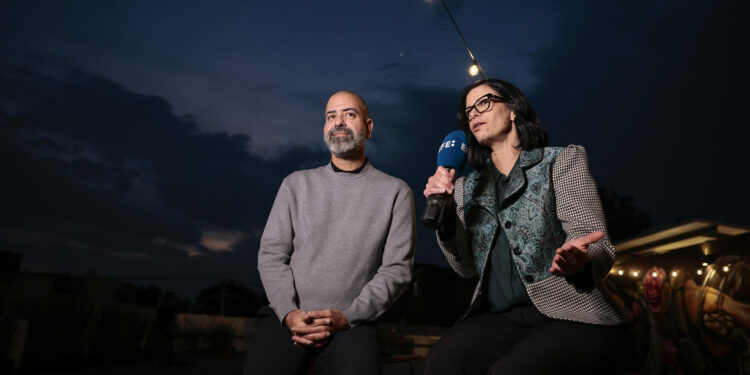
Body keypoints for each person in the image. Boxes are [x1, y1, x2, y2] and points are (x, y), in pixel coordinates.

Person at [422, 78, 631, 374]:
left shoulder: (560, 161)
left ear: (512, 110)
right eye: (468, 111)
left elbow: (595, 243)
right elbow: (465, 267)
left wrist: (582, 261)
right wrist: (445, 221)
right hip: (498, 319)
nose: (473, 115)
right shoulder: (463, 188)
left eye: (483, 103)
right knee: (441, 364)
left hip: (570, 313)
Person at [244, 90, 416, 375]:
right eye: (331, 116)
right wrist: (289, 313)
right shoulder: (295, 184)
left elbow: (396, 271)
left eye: (349, 114)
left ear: (369, 128)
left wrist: (348, 317)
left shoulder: (396, 192)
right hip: (290, 318)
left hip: (352, 325)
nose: (339, 122)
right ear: (324, 127)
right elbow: (272, 255)